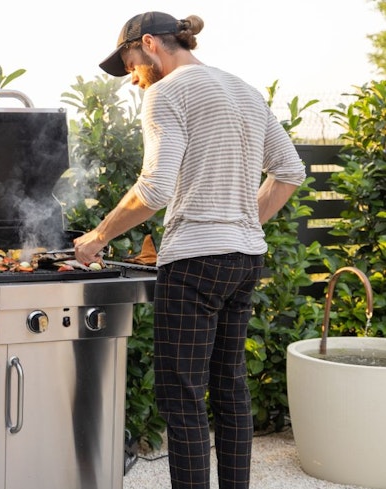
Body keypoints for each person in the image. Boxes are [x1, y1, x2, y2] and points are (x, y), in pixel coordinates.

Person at [73, 11, 307, 489]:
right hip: (245, 260)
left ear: (149, 44)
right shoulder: (244, 90)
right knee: (230, 390)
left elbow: (154, 189)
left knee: (182, 398)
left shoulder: (166, 92)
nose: (133, 79)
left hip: (195, 263)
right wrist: (239, 223)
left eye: (130, 65)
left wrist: (97, 236)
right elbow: (290, 171)